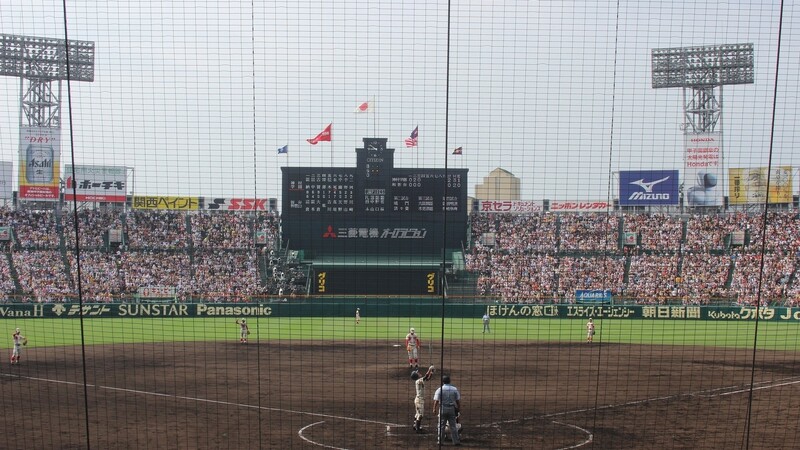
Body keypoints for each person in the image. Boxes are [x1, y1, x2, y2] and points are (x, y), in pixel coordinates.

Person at [433, 374, 461, 446]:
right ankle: (456, 441)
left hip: (442, 408)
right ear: (449, 381)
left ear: (443, 381)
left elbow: (436, 400)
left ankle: (440, 442)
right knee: (453, 426)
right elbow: (457, 400)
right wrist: (458, 407)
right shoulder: (454, 389)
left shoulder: (440, 389)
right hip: (451, 408)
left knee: (441, 426)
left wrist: (434, 409)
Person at [411, 365, 435, 432]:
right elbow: (426, 377)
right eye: (417, 373)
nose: (419, 373)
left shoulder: (419, 381)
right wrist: (429, 370)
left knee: (417, 414)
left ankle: (414, 426)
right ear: (416, 376)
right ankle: (417, 429)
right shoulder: (418, 381)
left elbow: (428, 378)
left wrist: (431, 373)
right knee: (420, 415)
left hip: (419, 400)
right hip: (419, 400)